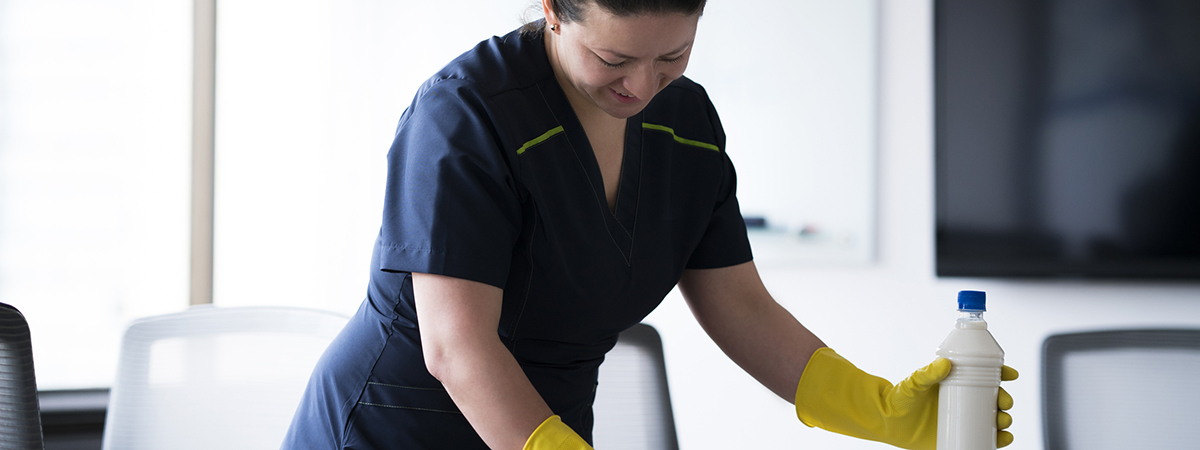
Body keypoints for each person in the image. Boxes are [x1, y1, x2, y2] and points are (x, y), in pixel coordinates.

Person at [281, 1, 1017, 449]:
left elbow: (741, 306)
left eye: (673, 54)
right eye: (612, 57)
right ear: (551, 9)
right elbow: (456, 345)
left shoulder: (687, 125)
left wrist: (879, 410)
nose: (641, 86)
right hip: (398, 432)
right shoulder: (466, 115)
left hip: (553, 430)